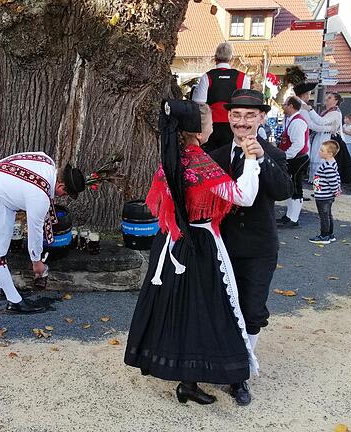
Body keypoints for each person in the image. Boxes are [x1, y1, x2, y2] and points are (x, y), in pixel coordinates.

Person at [125, 100, 260, 405]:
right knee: (212, 310)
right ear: (198, 131)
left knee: (175, 310)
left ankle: (175, 373)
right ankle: (221, 373)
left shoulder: (169, 160)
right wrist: (251, 160)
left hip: (171, 240)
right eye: (211, 122)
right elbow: (244, 196)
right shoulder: (199, 164)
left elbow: (163, 204)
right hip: (200, 246)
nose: (215, 126)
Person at [208, 89, 293, 405]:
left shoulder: (275, 154)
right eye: (236, 115)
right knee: (220, 308)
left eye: (249, 115)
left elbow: (284, 191)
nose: (242, 121)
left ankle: (241, 373)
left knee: (253, 311)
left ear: (261, 117)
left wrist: (262, 158)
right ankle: (218, 362)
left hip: (259, 248)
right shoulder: (214, 156)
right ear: (229, 117)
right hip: (222, 247)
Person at [0, 152, 86, 313]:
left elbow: (16, 158)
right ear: (61, 186)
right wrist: (37, 262)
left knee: (2, 243)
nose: (63, 197)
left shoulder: (47, 161)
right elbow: (35, 232)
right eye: (65, 194)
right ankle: (14, 303)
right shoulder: (40, 197)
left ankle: (5, 288)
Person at [192, 42, 251, 153]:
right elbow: (244, 103)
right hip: (233, 125)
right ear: (231, 58)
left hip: (211, 125)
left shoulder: (207, 76)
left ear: (215, 57)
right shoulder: (242, 78)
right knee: (230, 157)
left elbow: (199, 101)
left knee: (211, 157)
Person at [277, 97, 310, 229]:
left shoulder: (297, 122)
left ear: (291, 106)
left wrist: (285, 156)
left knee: (296, 188)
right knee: (292, 187)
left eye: (285, 104)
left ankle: (294, 218)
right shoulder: (292, 120)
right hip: (294, 158)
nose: (283, 107)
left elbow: (298, 144)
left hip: (297, 159)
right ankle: (289, 216)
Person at [301, 91, 343, 179]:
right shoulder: (326, 112)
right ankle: (317, 187)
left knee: (322, 163)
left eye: (330, 97)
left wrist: (310, 110)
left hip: (327, 139)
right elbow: (318, 125)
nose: (326, 99)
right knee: (316, 162)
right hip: (320, 137)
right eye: (327, 97)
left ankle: (322, 187)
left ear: (336, 101)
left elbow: (320, 122)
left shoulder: (335, 113)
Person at [309, 140, 341, 245]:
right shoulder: (331, 163)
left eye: (322, 150)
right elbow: (337, 177)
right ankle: (330, 234)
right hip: (325, 194)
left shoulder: (327, 166)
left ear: (330, 153)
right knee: (327, 215)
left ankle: (324, 235)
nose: (319, 152)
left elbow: (333, 180)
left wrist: (336, 190)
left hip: (324, 195)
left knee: (324, 216)